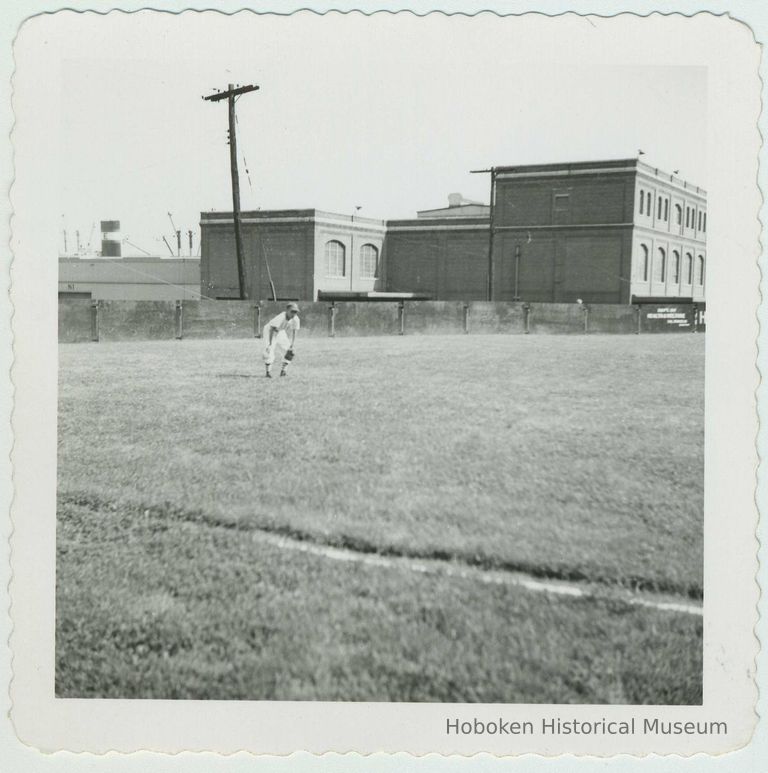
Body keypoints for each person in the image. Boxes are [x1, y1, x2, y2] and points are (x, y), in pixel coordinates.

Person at [262, 302, 300, 378]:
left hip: (280, 331)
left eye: (295, 312)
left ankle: (283, 371)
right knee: (269, 351)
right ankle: (268, 373)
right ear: (287, 310)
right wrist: (269, 344)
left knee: (290, 351)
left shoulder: (296, 319)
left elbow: (295, 331)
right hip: (270, 331)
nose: (294, 314)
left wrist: (292, 344)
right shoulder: (281, 317)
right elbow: (272, 329)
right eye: (292, 311)